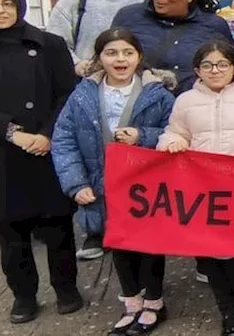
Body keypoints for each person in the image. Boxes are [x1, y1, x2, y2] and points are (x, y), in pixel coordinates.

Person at [0, 0, 84, 324]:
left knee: (57, 227)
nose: (0, 11)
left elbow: (68, 94)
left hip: (46, 147)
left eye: (7, 3)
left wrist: (47, 134)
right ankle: (23, 294)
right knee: (11, 232)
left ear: (20, 7)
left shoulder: (48, 44)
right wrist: (11, 132)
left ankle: (66, 288)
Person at [159, 40, 234, 336]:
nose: (215, 70)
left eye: (222, 64)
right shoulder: (185, 101)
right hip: (201, 189)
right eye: (208, 65)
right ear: (197, 69)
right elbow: (174, 131)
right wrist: (171, 143)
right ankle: (227, 311)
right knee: (209, 253)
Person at [51, 28, 174, 282]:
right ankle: (131, 297)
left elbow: (175, 131)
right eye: (111, 53)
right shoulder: (82, 96)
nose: (120, 59)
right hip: (102, 185)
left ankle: (153, 298)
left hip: (146, 187)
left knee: (150, 245)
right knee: (118, 242)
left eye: (128, 53)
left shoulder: (158, 95)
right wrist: (76, 183)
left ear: (139, 57)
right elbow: (64, 138)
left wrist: (143, 136)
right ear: (99, 58)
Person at [111, 0, 233, 95]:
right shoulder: (129, 17)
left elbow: (229, 69)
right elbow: (108, 57)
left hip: (192, 105)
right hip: (137, 103)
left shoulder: (213, 25)